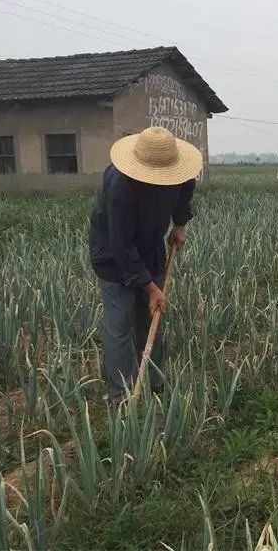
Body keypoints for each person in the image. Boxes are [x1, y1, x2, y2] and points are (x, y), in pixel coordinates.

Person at [89, 126, 202, 406]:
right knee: (120, 321)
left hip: (151, 243)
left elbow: (186, 186)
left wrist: (180, 222)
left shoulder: (178, 171)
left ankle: (154, 380)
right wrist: (150, 287)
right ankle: (121, 396)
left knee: (151, 316)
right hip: (114, 253)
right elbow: (122, 246)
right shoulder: (120, 186)